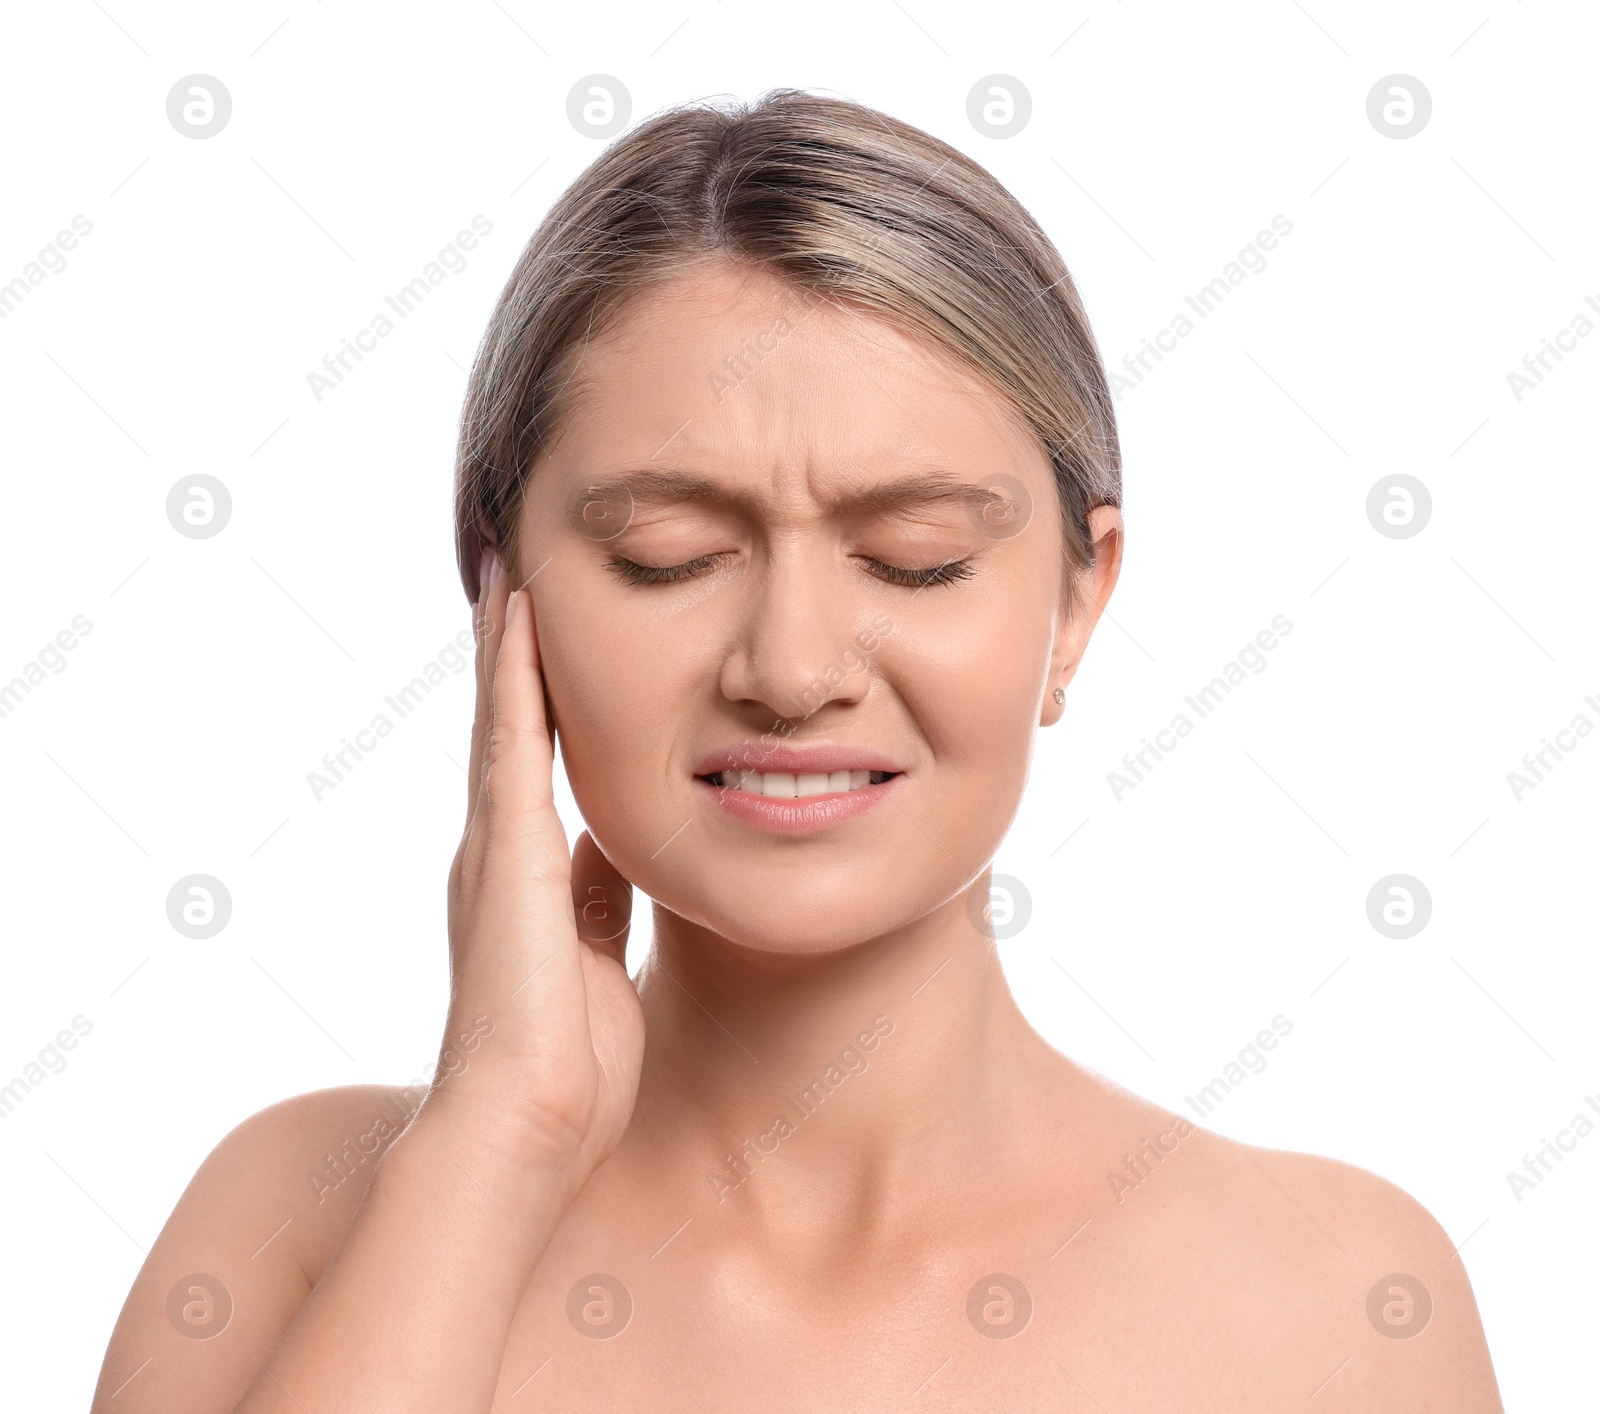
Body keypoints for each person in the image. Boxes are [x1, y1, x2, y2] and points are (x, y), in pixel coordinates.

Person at [92, 89, 1499, 1412]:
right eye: (668, 556)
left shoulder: (1338, 1301)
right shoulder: (291, 1221)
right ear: (498, 596)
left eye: (917, 558)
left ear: (1078, 601)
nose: (791, 667)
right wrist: (496, 1140)